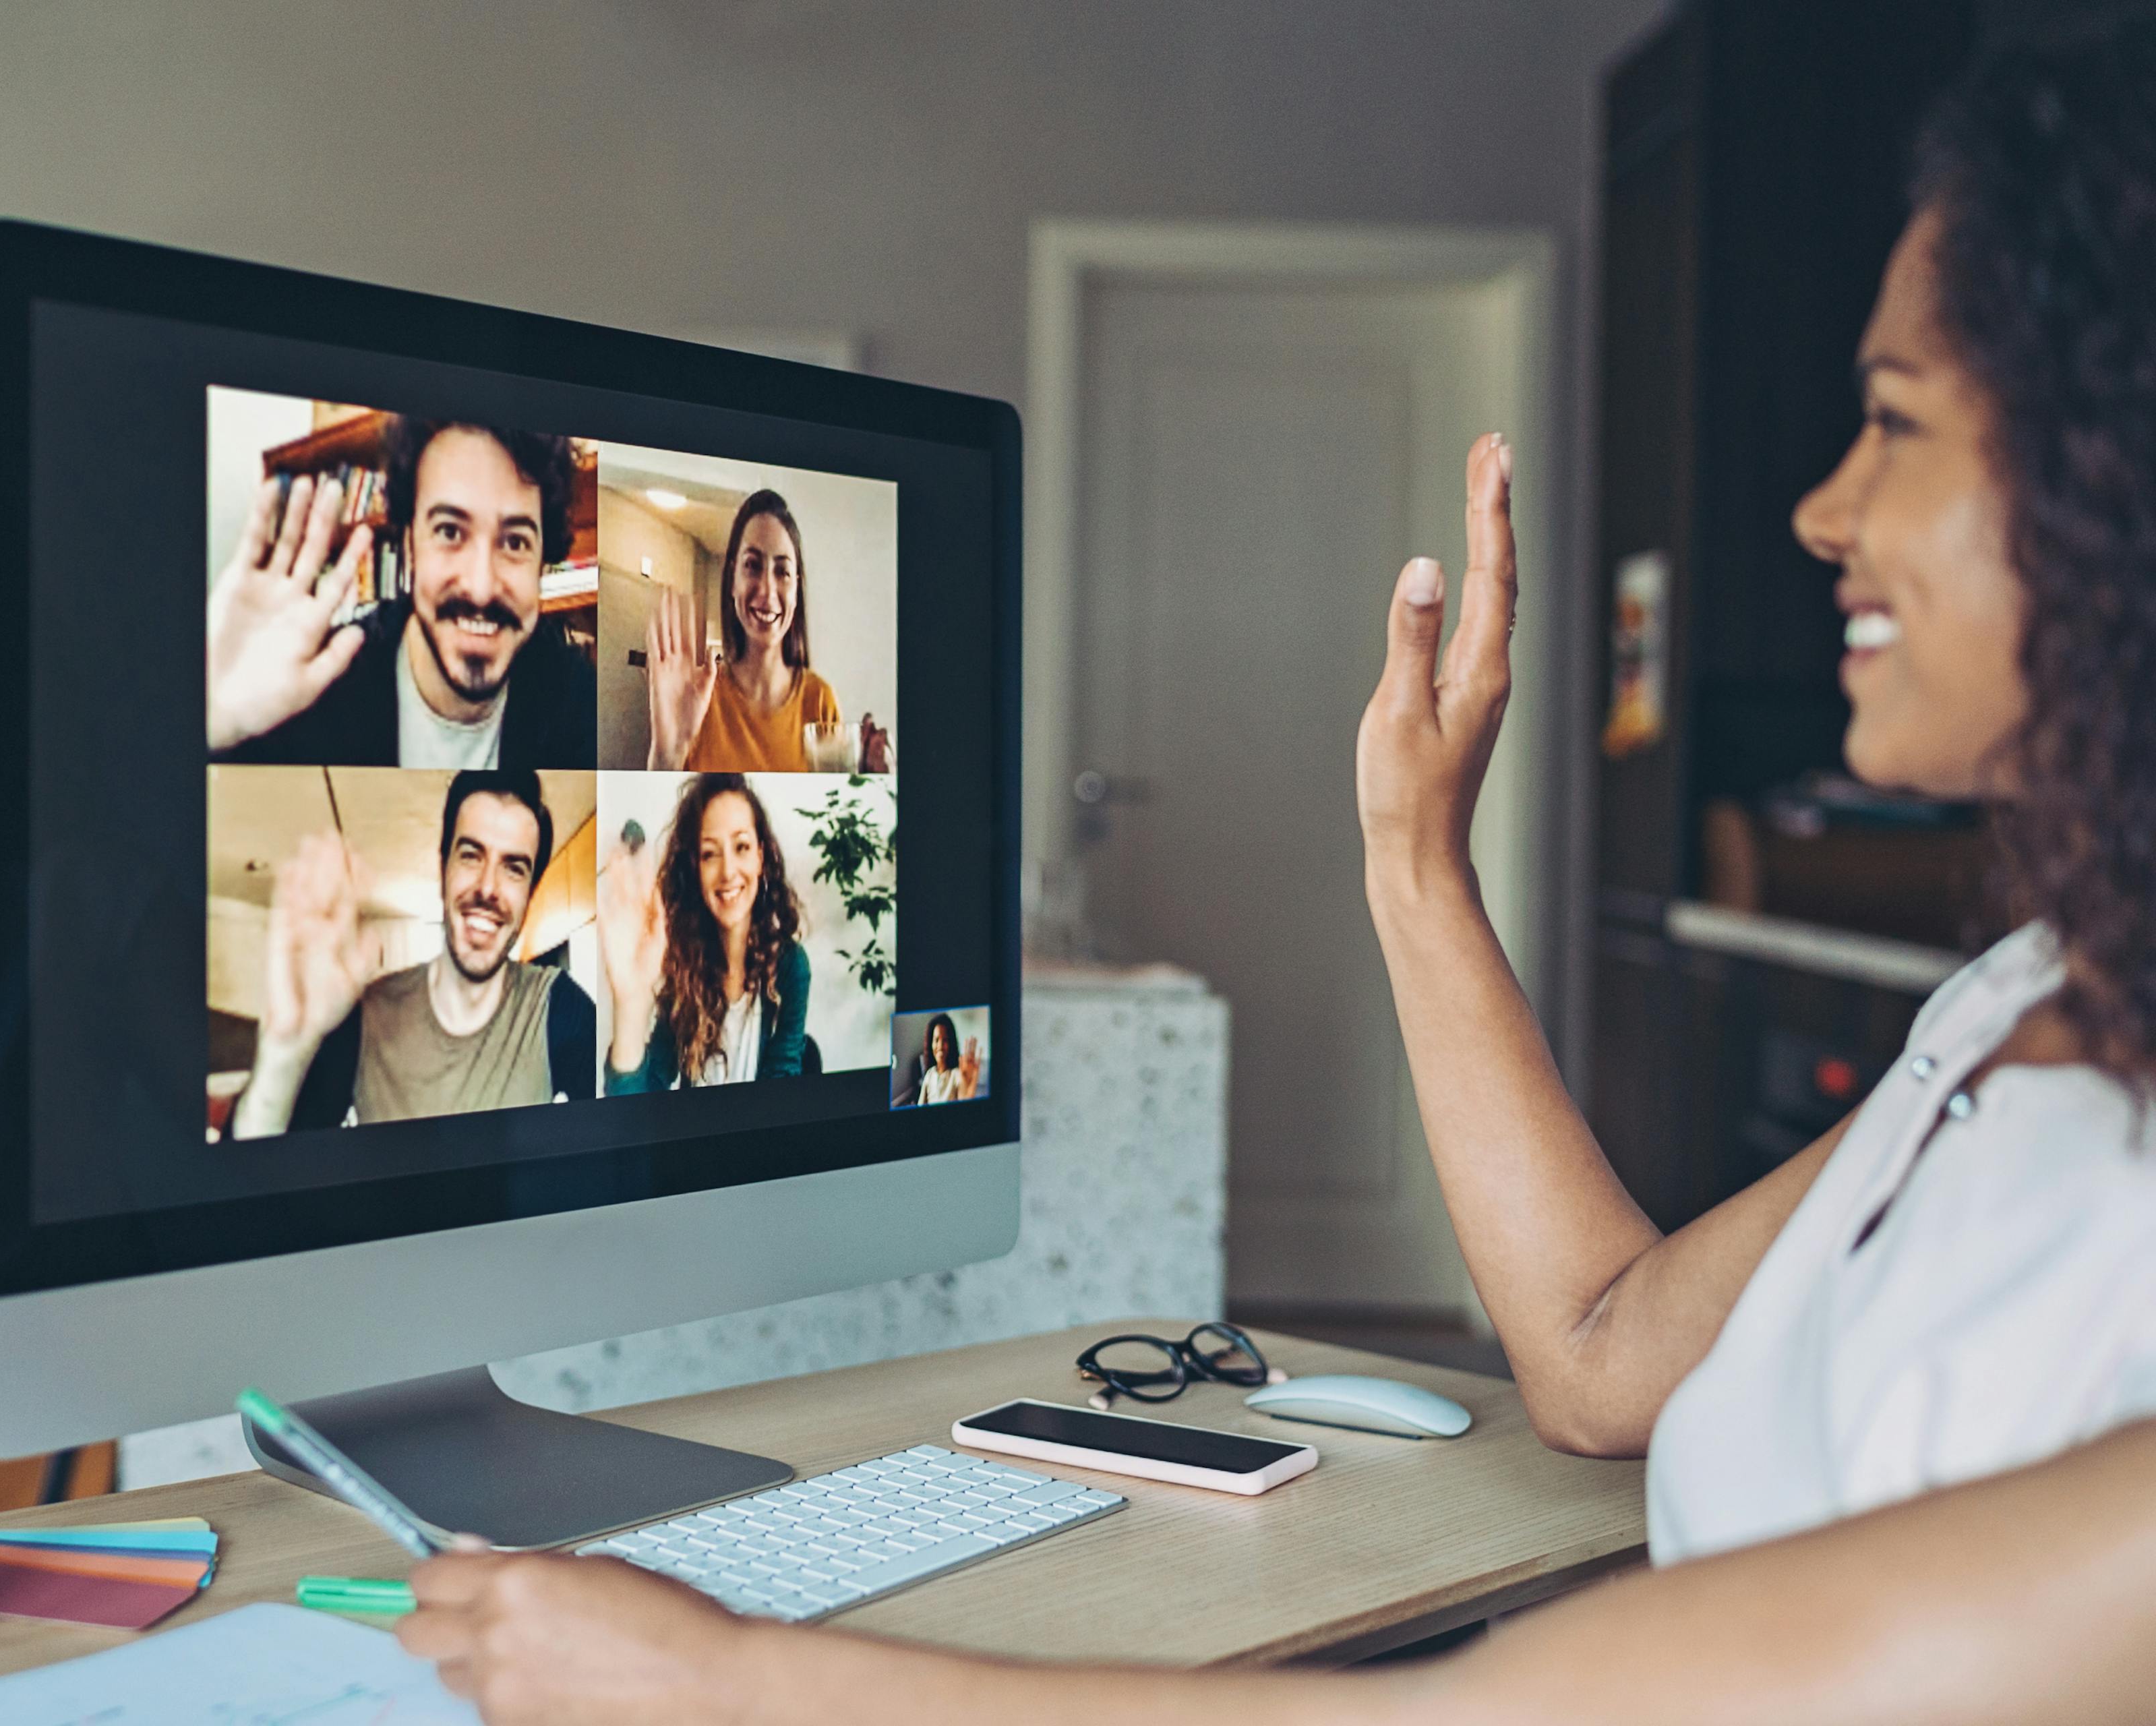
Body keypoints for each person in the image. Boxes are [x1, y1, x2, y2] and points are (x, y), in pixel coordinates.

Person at [390, 27, 2156, 1723]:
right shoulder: (2013, 1008)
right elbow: (1602, 1356)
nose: (1821, 513)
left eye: (1899, 425)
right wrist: (1412, 855)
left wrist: (726, 1685)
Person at [208, 419, 595, 770]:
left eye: (514, 541)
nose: (480, 587)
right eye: (449, 532)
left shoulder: (579, 704)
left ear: (543, 561)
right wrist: (215, 725)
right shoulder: (317, 689)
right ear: (409, 546)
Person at [231, 771, 594, 1136]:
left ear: (530, 893)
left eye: (513, 869)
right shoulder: (365, 1016)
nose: (488, 888)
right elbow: (255, 1174)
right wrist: (284, 1051)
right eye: (471, 855)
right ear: (443, 868)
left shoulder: (558, 1007)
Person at [646, 489, 892, 773]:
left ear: (797, 588)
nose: (766, 590)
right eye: (752, 566)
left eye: (782, 571)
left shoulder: (820, 700)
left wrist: (873, 787)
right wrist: (667, 752)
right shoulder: (698, 697)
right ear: (733, 578)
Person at [600, 774, 811, 1090]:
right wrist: (628, 1004)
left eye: (741, 847)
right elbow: (643, 1096)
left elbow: (782, 1085)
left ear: (760, 858)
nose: (728, 871)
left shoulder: (791, 967)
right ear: (695, 869)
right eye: (710, 854)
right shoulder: (684, 968)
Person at [914, 1013, 981, 1105]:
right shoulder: (929, 1075)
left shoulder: (957, 1074)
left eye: (945, 1040)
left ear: (951, 1043)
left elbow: (965, 1098)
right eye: (936, 1040)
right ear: (931, 1044)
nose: (940, 1046)